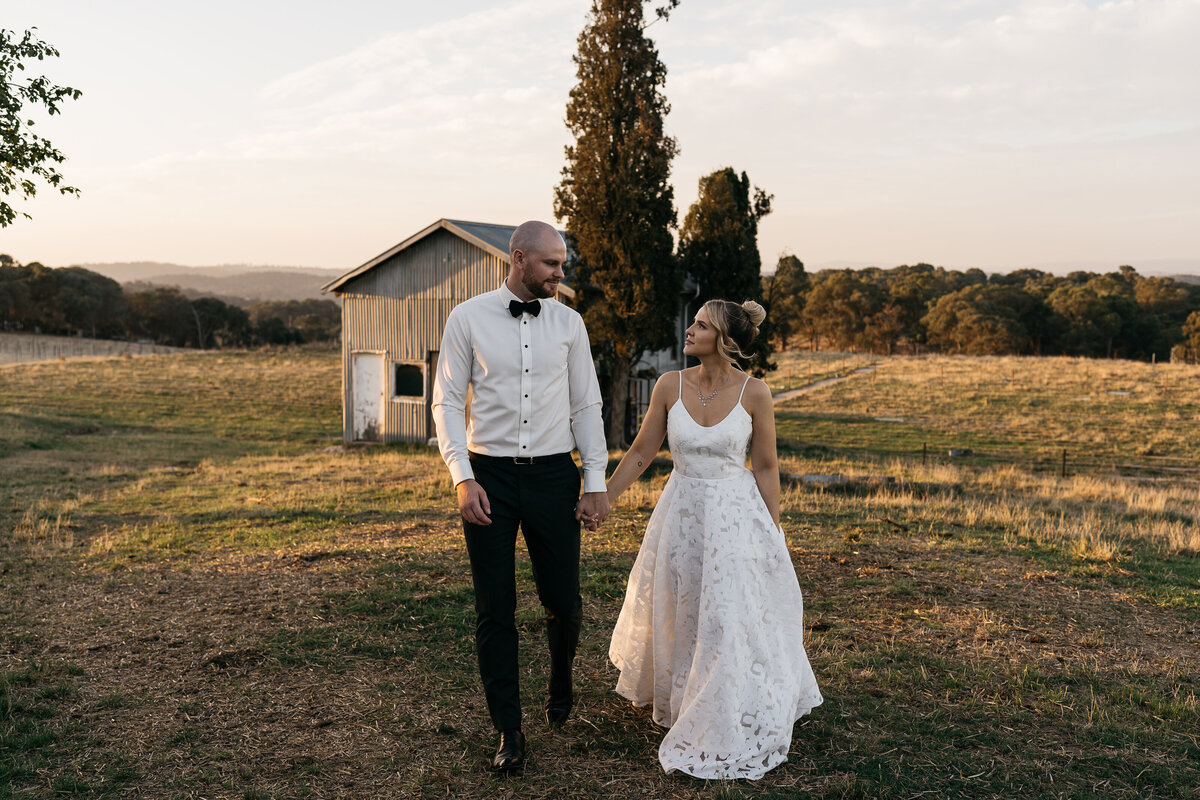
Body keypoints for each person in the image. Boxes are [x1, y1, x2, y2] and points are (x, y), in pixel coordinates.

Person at [606, 299, 823, 780]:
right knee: (683, 605)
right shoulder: (669, 385)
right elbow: (642, 451)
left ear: (724, 341)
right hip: (681, 513)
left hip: (734, 516)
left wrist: (773, 531)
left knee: (725, 612)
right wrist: (603, 497)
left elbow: (765, 466)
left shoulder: (755, 393)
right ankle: (683, 698)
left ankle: (724, 704)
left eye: (701, 325)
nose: (690, 329)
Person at [431, 220, 610, 773]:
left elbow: (586, 406)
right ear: (519, 259)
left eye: (563, 264)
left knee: (566, 602)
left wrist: (595, 481)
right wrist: (462, 477)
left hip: (555, 476)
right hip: (489, 477)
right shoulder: (467, 317)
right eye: (552, 264)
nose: (562, 273)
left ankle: (561, 678)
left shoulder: (570, 324)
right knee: (495, 609)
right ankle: (509, 729)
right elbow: (445, 402)